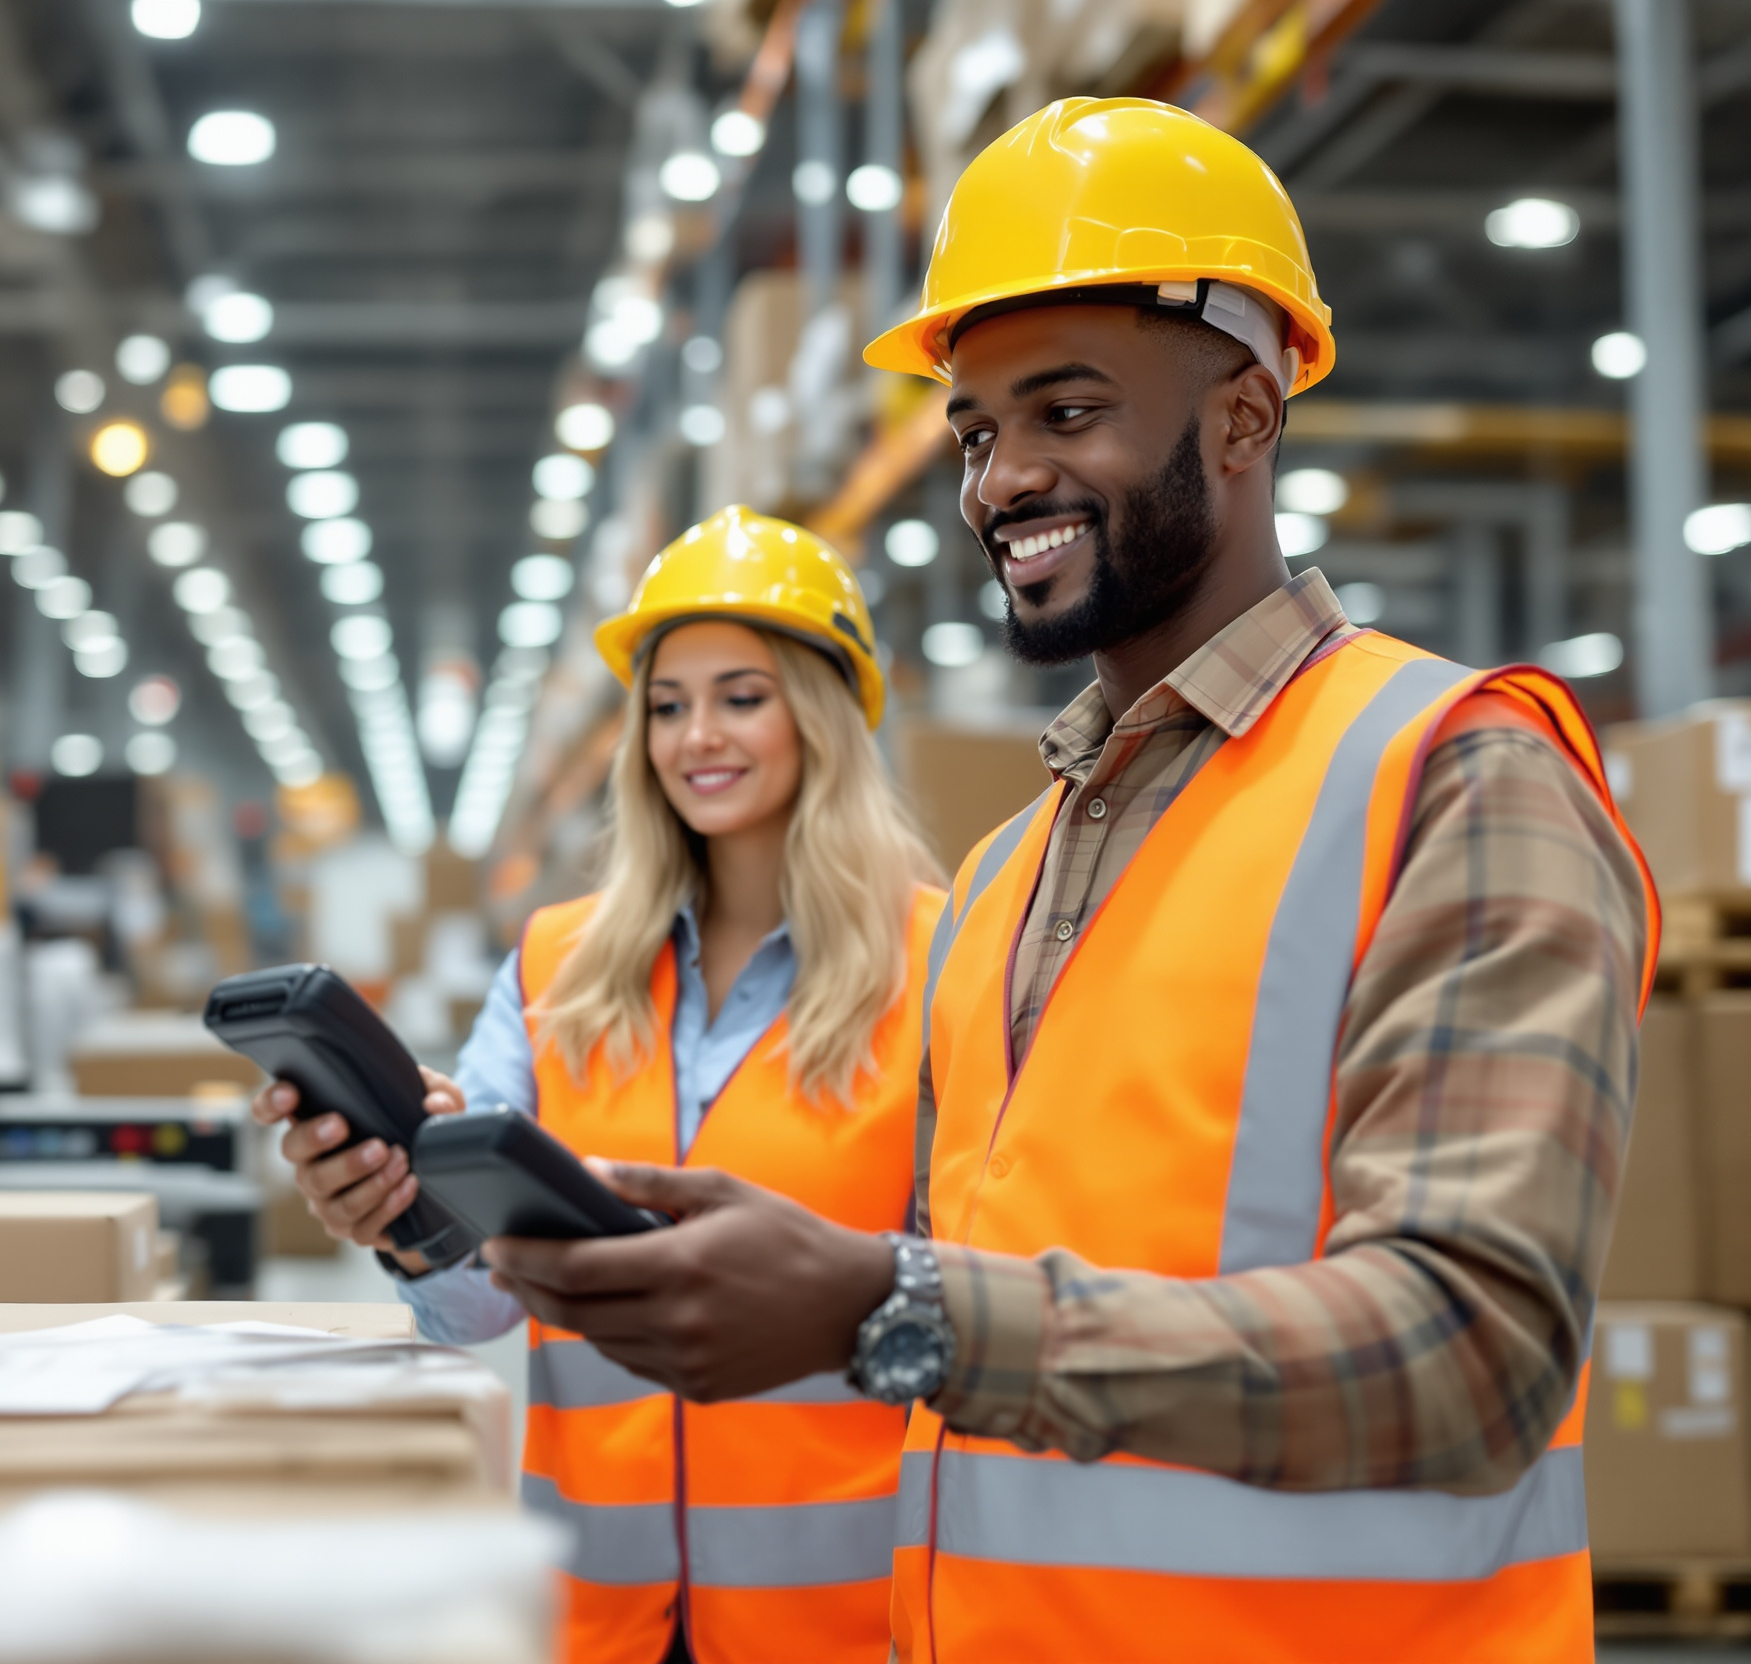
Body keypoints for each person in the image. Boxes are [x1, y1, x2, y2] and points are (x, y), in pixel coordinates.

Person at [476, 98, 1660, 1664]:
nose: (998, 480)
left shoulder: (1454, 774)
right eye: (975, 431)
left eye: (1067, 411)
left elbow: (1473, 1349)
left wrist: (884, 1308)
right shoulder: (1001, 878)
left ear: (1244, 414)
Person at [253, 505, 946, 1664]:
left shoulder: (946, 960)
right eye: (667, 704)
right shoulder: (558, 965)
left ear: (823, 709)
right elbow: (478, 1305)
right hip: (598, 1614)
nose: (695, 736)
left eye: (741, 694)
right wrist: (399, 1212)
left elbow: (970, 1290)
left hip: (847, 1619)